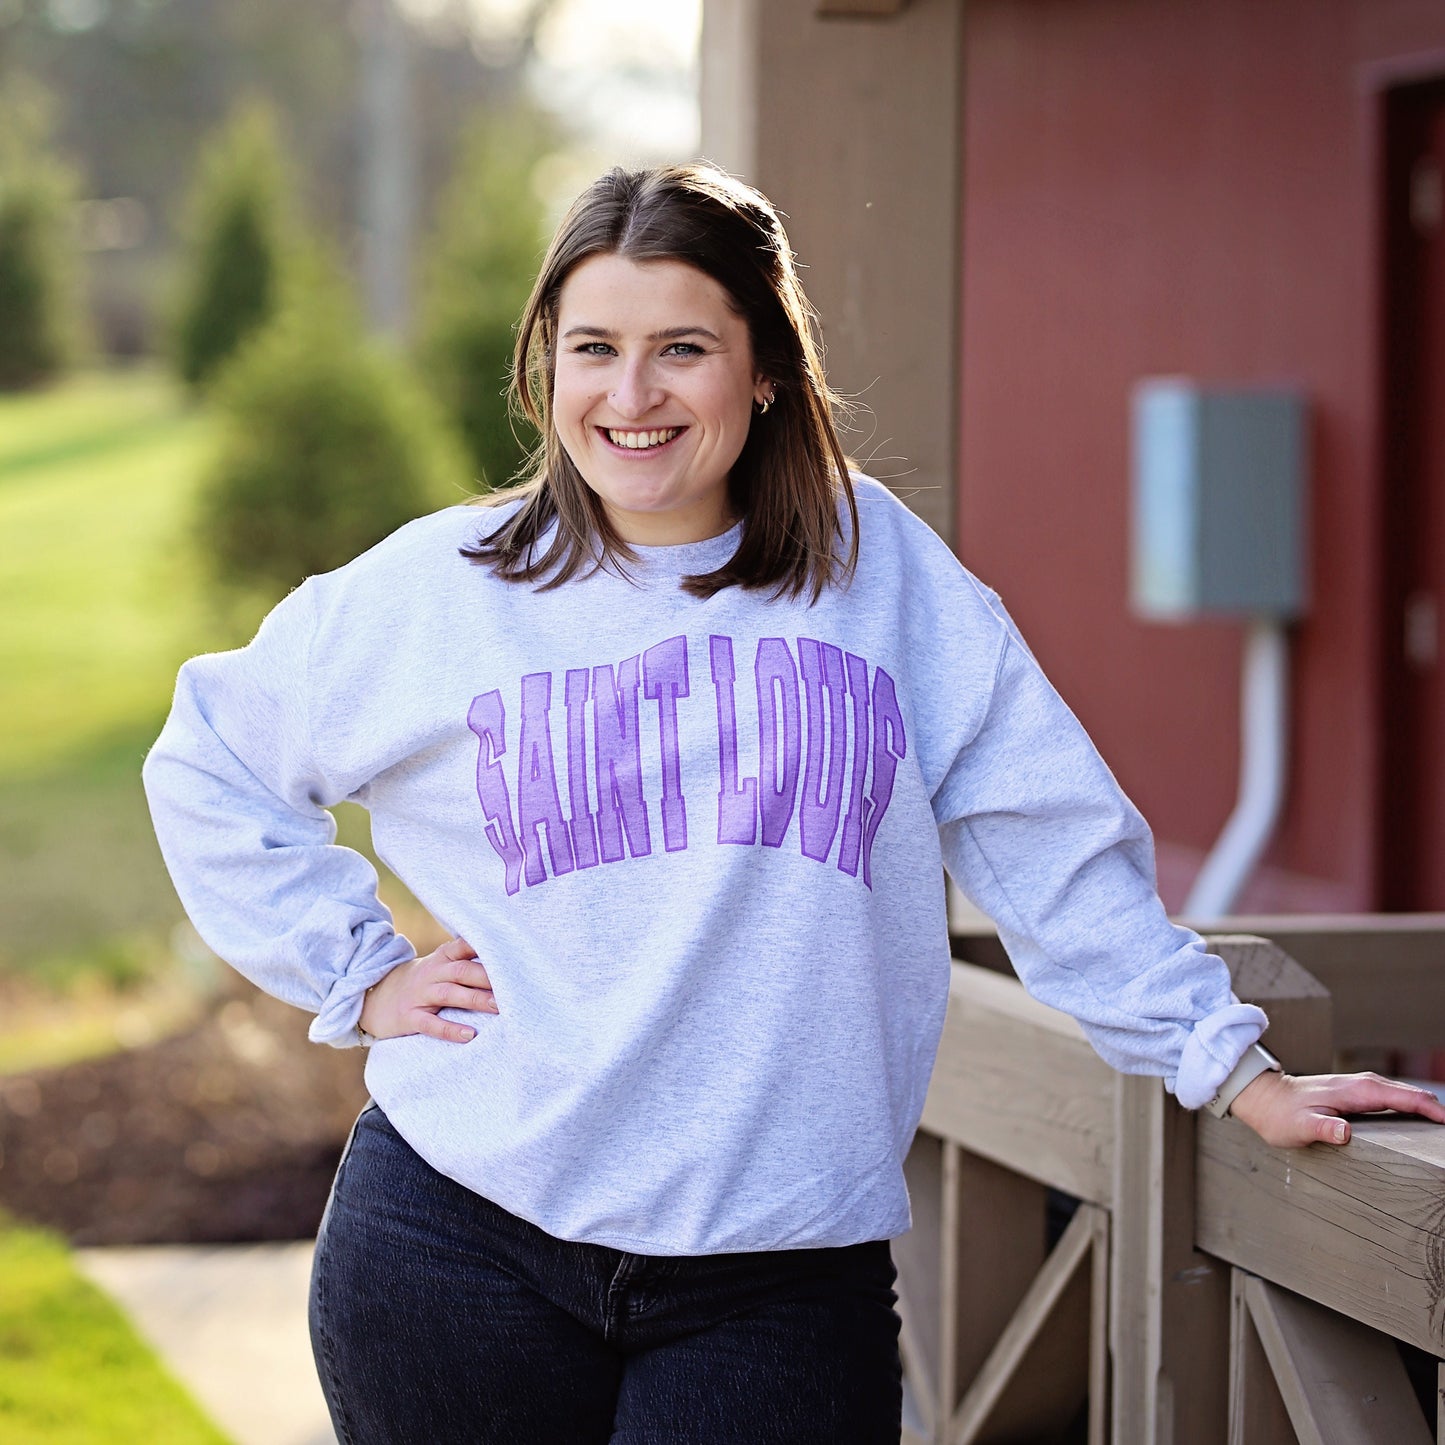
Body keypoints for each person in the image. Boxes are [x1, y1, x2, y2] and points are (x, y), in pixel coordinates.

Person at [143, 162, 1445, 1444]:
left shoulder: (876, 575)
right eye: (591, 346)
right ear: (546, 367)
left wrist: (1228, 1066)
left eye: (682, 348)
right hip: (460, 1242)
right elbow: (209, 757)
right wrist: (357, 968)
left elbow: (1047, 848)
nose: (630, 395)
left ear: (763, 367)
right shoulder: (443, 588)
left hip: (772, 1277)